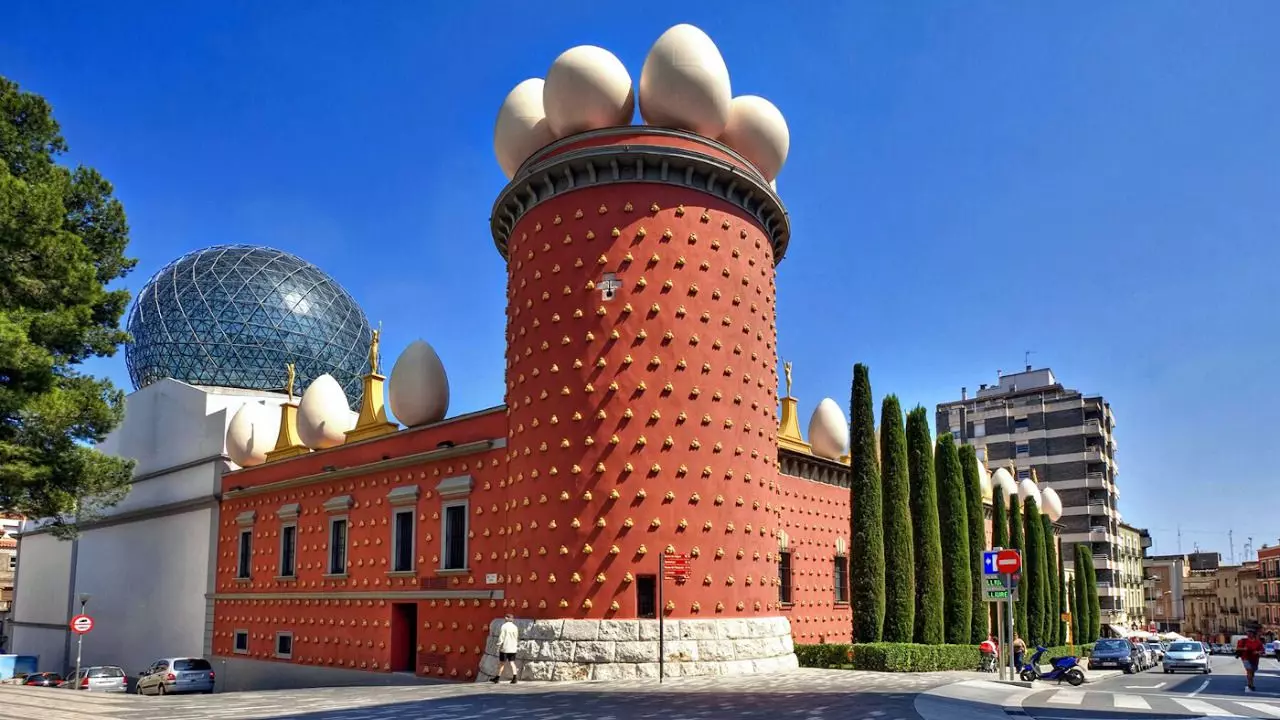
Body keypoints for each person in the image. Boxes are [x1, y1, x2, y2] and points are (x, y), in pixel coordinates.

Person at [492, 613, 519, 684]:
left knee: (502, 663)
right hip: (513, 647)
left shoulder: (504, 626)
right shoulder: (515, 627)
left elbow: (501, 637)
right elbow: (516, 637)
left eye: (505, 617)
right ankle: (515, 677)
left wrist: (498, 645)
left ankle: (497, 678)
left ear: (507, 618)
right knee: (512, 662)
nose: (504, 618)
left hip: (505, 648)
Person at [1237, 627, 1265, 692]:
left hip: (1255, 659)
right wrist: (1244, 649)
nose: (1248, 634)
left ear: (1253, 634)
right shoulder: (1243, 641)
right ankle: (1251, 685)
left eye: (1250, 633)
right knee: (1249, 670)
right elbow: (1238, 648)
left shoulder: (1258, 642)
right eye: (1248, 633)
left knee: (1252, 672)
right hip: (1245, 658)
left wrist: (1257, 652)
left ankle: (1250, 681)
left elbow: (1262, 651)